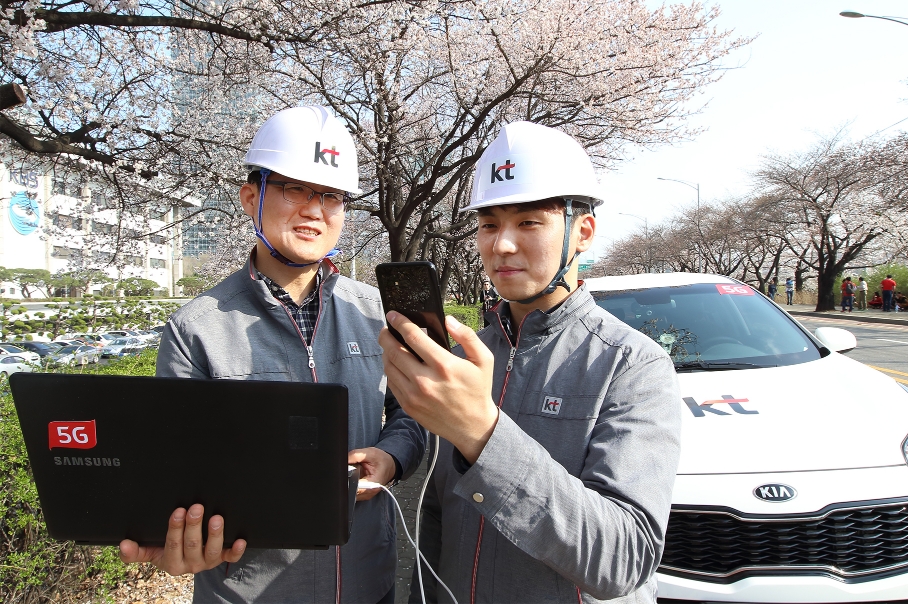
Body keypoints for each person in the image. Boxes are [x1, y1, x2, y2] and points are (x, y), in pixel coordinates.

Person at [120, 106, 426, 604]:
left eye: (330, 196)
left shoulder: (376, 312)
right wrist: (180, 540)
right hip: (246, 591)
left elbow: (410, 413)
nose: (313, 210)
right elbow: (172, 471)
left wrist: (392, 458)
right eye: (294, 189)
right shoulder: (195, 328)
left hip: (369, 585)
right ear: (250, 197)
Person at [380, 122, 681, 603]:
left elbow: (624, 558)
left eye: (528, 223)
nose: (501, 245)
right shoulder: (465, 357)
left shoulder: (632, 365)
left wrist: (481, 432)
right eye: (489, 224)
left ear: (583, 232)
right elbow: (434, 516)